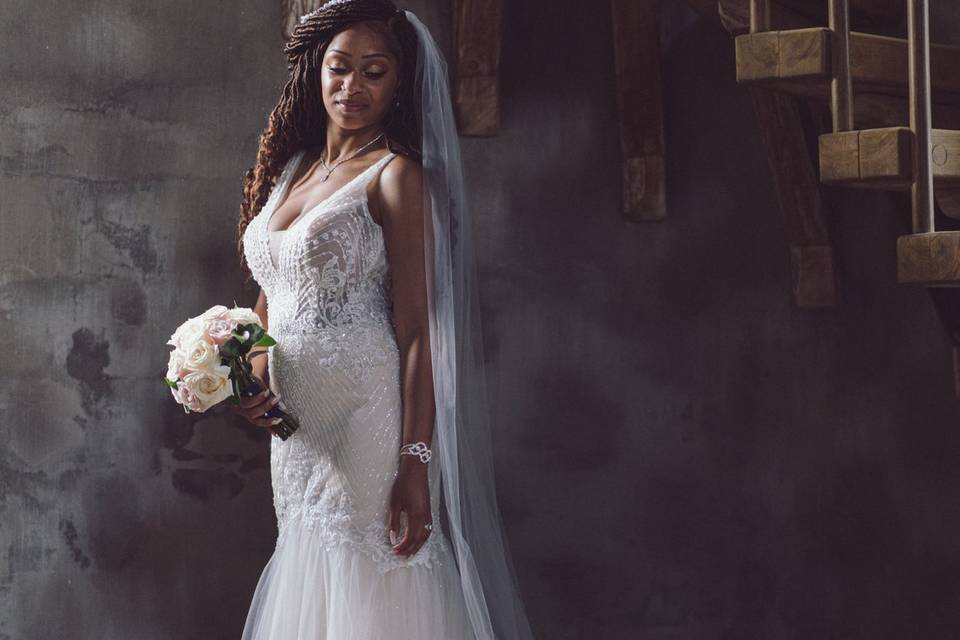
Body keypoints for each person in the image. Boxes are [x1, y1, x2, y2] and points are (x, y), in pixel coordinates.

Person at [232, 1, 536, 638]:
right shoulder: (292, 168)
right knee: (312, 580)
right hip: (297, 432)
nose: (352, 87)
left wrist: (416, 465)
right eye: (341, 68)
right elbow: (268, 296)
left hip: (365, 419)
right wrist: (249, 374)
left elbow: (420, 331)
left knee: (368, 582)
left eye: (374, 72)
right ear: (318, 71)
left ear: (399, 83)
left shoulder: (397, 175)